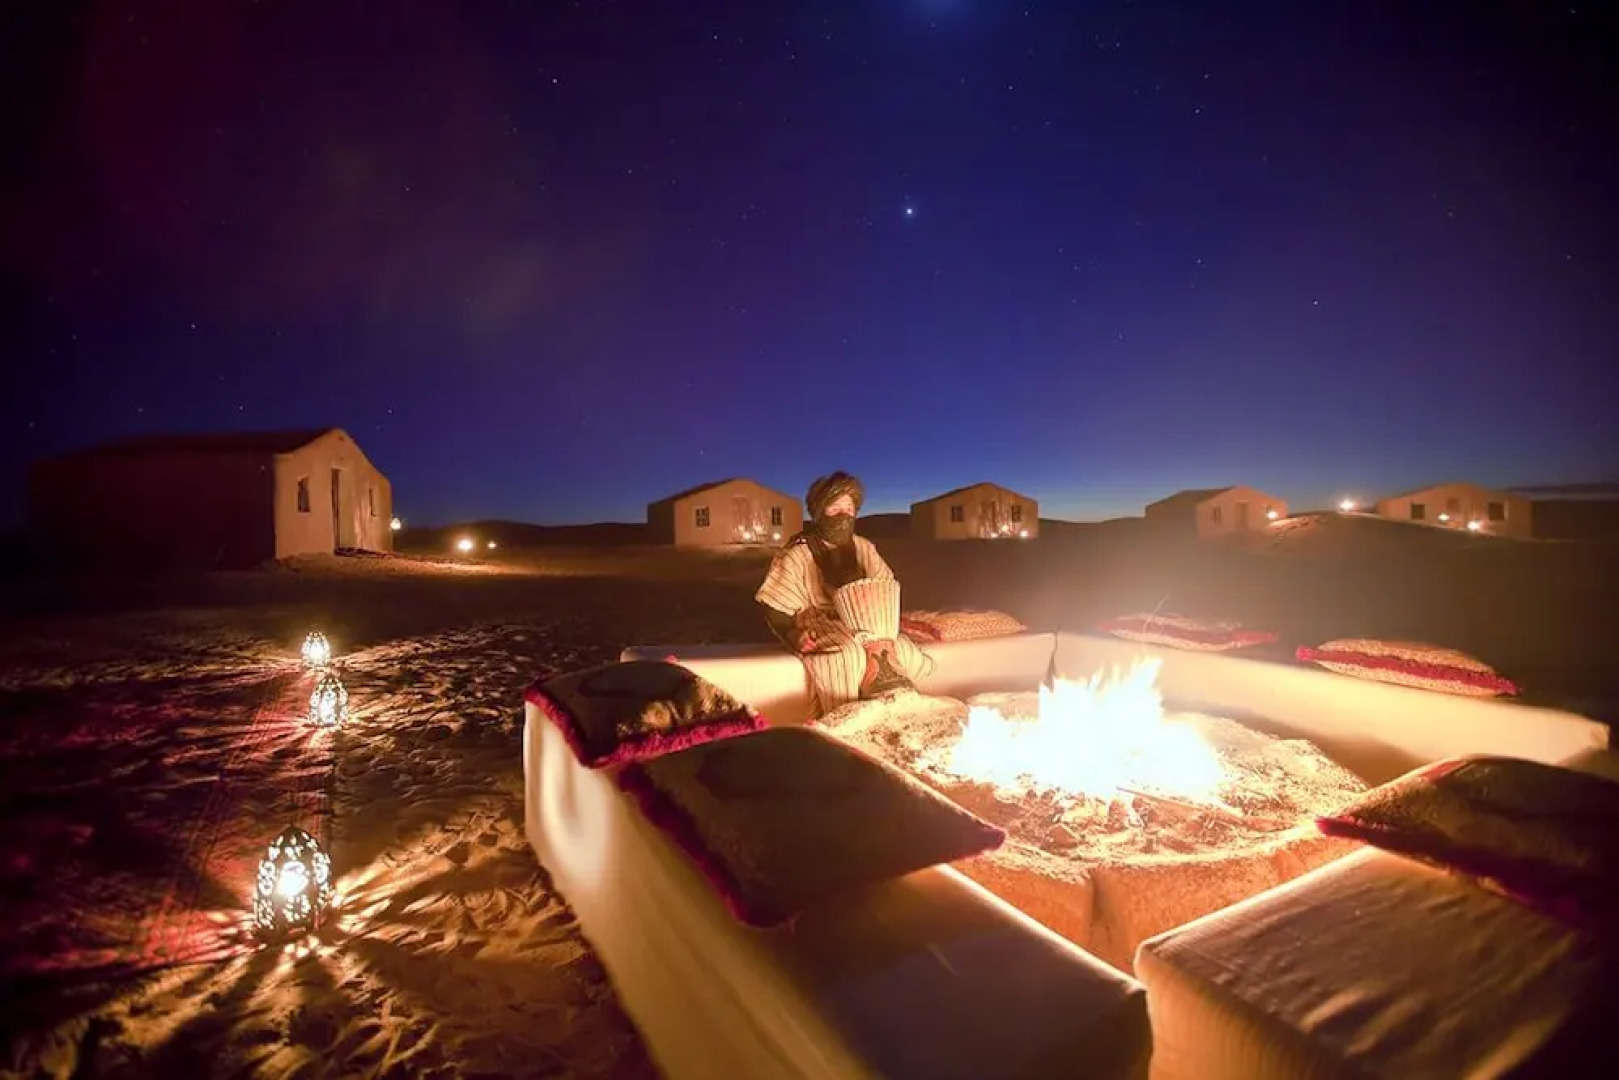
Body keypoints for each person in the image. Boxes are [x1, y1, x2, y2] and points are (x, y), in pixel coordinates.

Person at [755, 471, 935, 713]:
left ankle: (896, 712)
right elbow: (775, 604)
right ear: (820, 513)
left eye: (849, 508)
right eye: (835, 507)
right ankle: (841, 716)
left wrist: (880, 620)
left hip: (869, 623)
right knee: (847, 655)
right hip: (820, 622)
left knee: (901, 648)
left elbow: (883, 586)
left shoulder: (864, 547)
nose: (843, 515)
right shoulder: (797, 553)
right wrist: (792, 634)